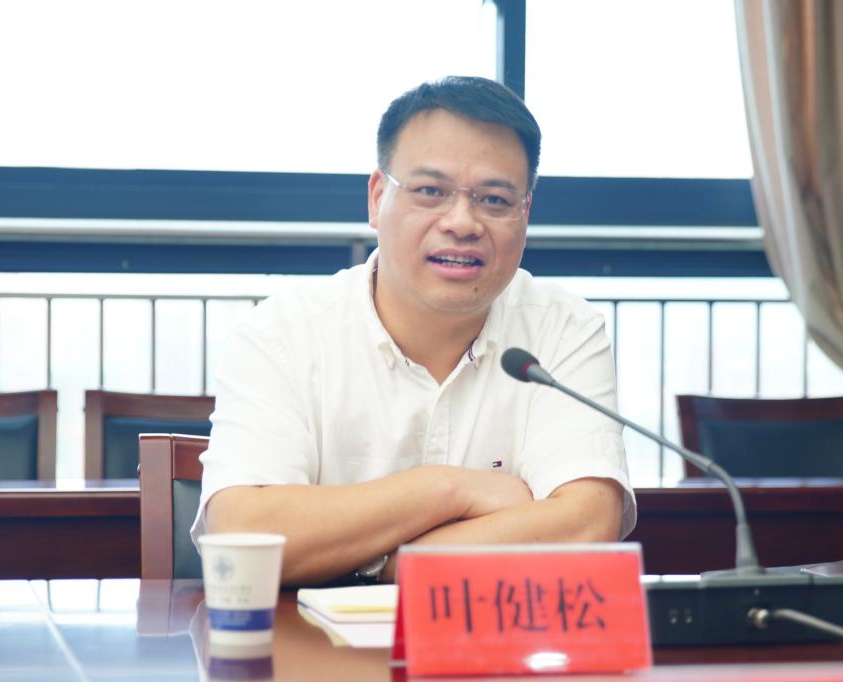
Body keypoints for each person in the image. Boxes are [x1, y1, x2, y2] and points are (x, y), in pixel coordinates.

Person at [191, 76, 636, 586]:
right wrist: (448, 489)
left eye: (494, 200)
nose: (462, 222)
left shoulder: (564, 330)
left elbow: (586, 524)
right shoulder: (282, 334)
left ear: (525, 213)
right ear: (377, 197)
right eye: (430, 192)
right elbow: (243, 537)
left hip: (493, 639)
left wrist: (395, 562)